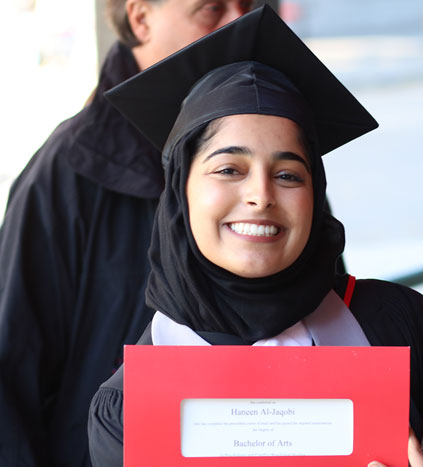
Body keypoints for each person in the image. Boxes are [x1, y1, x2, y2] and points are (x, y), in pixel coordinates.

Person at [87, 6, 423, 466]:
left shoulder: (410, 331)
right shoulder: (129, 409)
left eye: (288, 175)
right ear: (180, 193)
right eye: (228, 169)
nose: (260, 195)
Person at [0, 1, 254, 465]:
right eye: (211, 9)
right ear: (140, 18)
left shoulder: (273, 158)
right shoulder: (64, 174)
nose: (240, 23)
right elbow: (10, 373)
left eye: (251, 5)